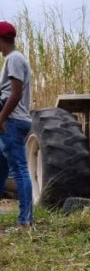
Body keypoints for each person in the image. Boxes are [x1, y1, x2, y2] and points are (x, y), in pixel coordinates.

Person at [0, 20, 34, 230]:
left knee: (20, 169)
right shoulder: (15, 59)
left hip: (12, 121)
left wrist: (1, 118)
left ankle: (25, 221)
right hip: (11, 120)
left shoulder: (13, 59)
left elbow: (15, 93)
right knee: (2, 167)